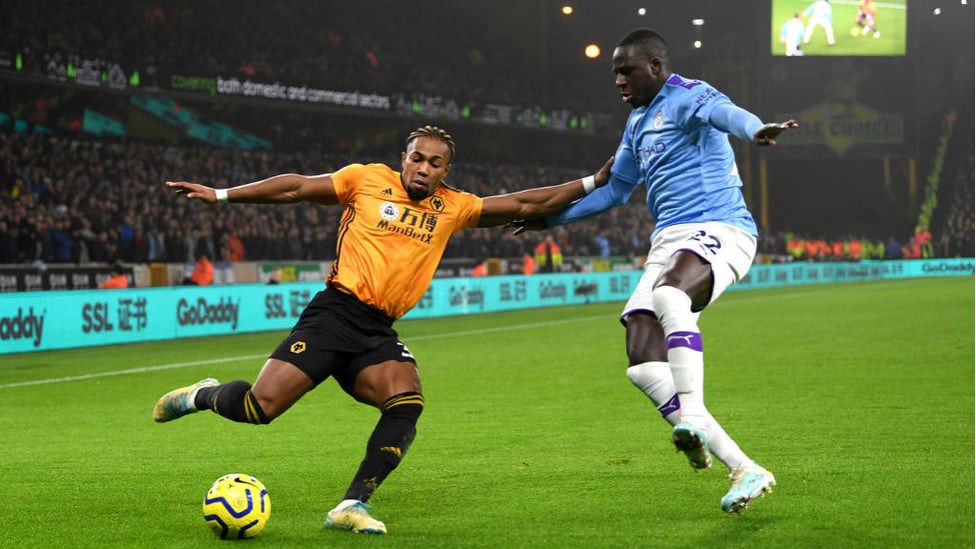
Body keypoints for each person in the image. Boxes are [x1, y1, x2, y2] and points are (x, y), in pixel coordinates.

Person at [152, 125, 613, 535]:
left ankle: (352, 503)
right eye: (417, 157)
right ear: (403, 158)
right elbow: (295, 188)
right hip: (335, 314)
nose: (423, 167)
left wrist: (594, 181)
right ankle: (203, 395)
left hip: (376, 330)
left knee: (406, 402)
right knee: (260, 407)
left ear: (445, 171)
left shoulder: (453, 206)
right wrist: (223, 195)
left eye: (435, 163)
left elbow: (526, 202)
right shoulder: (366, 179)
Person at [513, 29, 797, 514]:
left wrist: (754, 130)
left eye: (626, 70)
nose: (619, 80)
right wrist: (551, 218)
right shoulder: (637, 123)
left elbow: (727, 114)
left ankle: (690, 416)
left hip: (721, 228)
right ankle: (744, 467)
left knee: (670, 297)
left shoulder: (689, 95)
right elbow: (615, 191)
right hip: (668, 241)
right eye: (615, 73)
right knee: (643, 362)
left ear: (656, 67)